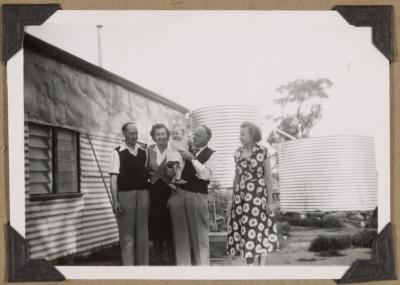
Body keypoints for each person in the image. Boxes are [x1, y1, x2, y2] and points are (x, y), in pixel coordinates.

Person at [226, 121, 279, 265]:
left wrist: (269, 201)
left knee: (259, 230)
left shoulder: (262, 152)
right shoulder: (238, 152)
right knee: (245, 231)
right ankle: (250, 266)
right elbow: (236, 177)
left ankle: (261, 267)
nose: (240, 137)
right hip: (241, 199)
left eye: (243, 134)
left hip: (258, 197)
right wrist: (232, 199)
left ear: (252, 135)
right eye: (240, 134)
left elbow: (268, 178)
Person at [168, 125, 218, 265]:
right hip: (178, 194)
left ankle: (202, 273)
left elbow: (206, 175)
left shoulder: (212, 154)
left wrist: (192, 159)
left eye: (198, 135)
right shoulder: (184, 147)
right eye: (194, 134)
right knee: (180, 237)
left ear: (207, 138)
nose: (194, 137)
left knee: (200, 237)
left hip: (197, 195)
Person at [109, 122, 149, 265]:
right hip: (125, 196)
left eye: (136, 133)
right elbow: (113, 179)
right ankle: (129, 271)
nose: (134, 136)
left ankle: (144, 269)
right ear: (124, 134)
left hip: (143, 195)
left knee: (143, 235)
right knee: (127, 237)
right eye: (131, 133)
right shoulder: (117, 152)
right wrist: (115, 201)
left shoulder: (144, 151)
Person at [147, 123, 175, 265]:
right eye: (157, 134)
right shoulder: (150, 150)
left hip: (169, 190)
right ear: (153, 136)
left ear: (167, 135)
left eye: (163, 134)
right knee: (156, 226)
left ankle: (172, 260)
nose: (161, 137)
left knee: (169, 225)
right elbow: (146, 169)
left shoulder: (173, 149)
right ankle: (158, 259)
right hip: (154, 191)